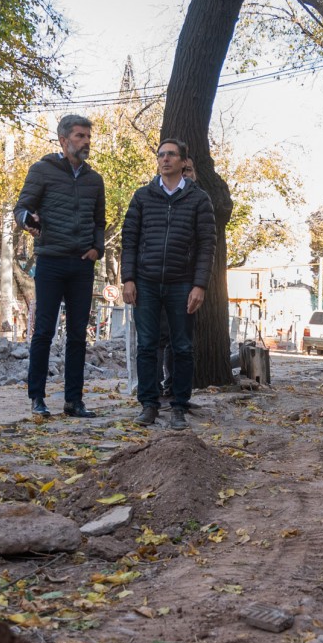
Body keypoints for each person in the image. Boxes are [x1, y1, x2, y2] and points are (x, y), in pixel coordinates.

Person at [14, 114, 105, 418]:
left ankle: (73, 401)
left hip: (81, 265)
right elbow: (22, 207)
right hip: (51, 260)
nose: (86, 142)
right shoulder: (42, 170)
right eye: (80, 136)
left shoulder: (95, 180)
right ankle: (37, 397)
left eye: (88, 137)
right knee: (44, 332)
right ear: (64, 141)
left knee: (78, 334)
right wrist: (29, 221)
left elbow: (99, 221)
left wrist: (97, 249)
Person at [120, 139, 215, 429]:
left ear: (183, 161)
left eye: (171, 155)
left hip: (182, 284)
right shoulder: (143, 197)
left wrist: (199, 285)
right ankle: (148, 405)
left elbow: (206, 246)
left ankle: (178, 405)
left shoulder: (199, 199)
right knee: (147, 345)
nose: (165, 159)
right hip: (146, 283)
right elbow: (129, 241)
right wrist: (128, 279)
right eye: (161, 155)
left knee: (183, 347)